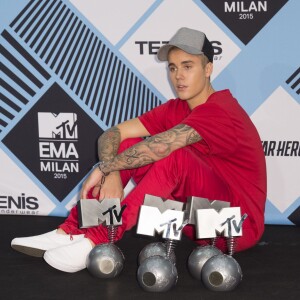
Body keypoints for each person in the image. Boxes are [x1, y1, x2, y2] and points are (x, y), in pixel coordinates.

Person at [11, 27, 267, 273]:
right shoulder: (176, 108)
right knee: (126, 146)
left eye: (188, 67)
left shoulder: (220, 110)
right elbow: (113, 133)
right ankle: (73, 230)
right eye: (173, 68)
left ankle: (99, 238)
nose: (178, 76)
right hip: (195, 223)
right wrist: (112, 173)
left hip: (235, 227)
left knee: (172, 155)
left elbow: (160, 146)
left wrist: (105, 167)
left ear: (208, 68)